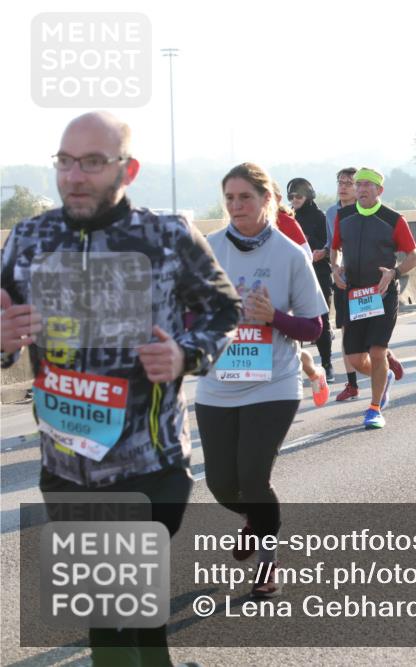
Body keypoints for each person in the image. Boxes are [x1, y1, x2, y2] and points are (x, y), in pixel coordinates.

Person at [1, 111, 241, 666]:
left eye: (91, 162)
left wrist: (186, 353)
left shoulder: (168, 235)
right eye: (65, 161)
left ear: (126, 169)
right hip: (65, 465)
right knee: (125, 611)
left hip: (150, 465)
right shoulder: (31, 238)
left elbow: (223, 310)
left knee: (114, 609)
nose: (73, 176)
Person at [196, 162, 329, 597]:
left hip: (272, 383)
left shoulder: (290, 255)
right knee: (220, 484)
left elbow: (314, 327)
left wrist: (273, 317)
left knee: (253, 477)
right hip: (217, 384)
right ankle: (256, 518)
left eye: (246, 197)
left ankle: (268, 562)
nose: (236, 206)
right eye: (230, 198)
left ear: (267, 200)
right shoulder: (206, 249)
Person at [332, 168, 416, 429]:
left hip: (381, 294)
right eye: (358, 184)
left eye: (367, 185)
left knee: (377, 351)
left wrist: (394, 272)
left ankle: (374, 408)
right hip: (355, 294)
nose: (360, 189)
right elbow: (335, 248)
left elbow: (415, 256)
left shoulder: (393, 219)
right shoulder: (343, 216)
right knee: (357, 358)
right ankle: (385, 377)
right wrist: (335, 268)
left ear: (379, 190)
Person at [270, 182, 328, 406]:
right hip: (254, 297)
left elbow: (306, 255)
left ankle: (313, 372)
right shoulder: (240, 225)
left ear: (274, 198)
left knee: (287, 347)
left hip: (284, 295)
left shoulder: (285, 222)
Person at [288, 177, 337, 384]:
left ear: (308, 196)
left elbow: (330, 243)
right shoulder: (288, 217)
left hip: (318, 273)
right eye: (291, 196)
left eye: (298, 195)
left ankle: (327, 364)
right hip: (294, 275)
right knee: (294, 322)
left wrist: (316, 247)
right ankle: (295, 368)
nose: (295, 199)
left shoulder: (319, 216)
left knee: (321, 319)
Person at [325, 168, 364, 402]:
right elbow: (333, 245)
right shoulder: (331, 213)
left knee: (369, 334)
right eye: (340, 182)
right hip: (343, 281)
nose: (343, 187)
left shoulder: (367, 209)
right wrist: (334, 268)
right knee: (346, 332)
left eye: (349, 183)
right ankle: (352, 384)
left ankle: (385, 360)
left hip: (366, 280)